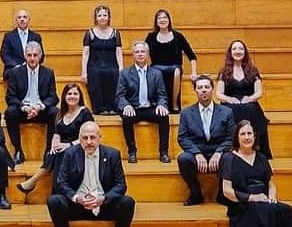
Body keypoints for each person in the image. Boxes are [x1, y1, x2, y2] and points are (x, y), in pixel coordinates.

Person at [46, 121, 134, 227]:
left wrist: (103, 198)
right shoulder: (69, 154)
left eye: (92, 137)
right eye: (85, 138)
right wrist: (76, 197)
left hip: (103, 205)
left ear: (100, 137)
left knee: (127, 202)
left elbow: (121, 185)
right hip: (78, 205)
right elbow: (61, 182)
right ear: (79, 139)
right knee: (54, 201)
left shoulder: (113, 154)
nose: (89, 142)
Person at [218, 119, 292, 227]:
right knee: (268, 212)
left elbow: (270, 184)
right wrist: (252, 197)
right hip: (242, 202)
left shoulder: (262, 157)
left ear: (255, 136)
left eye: (249, 133)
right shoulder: (228, 158)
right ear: (236, 137)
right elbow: (227, 191)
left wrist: (272, 198)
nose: (246, 137)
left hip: (263, 198)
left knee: (287, 210)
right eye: (243, 134)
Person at [16, 82, 93, 196]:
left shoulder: (84, 112)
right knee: (53, 153)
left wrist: (69, 145)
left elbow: (89, 136)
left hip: (80, 146)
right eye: (69, 94)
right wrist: (54, 145)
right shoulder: (60, 113)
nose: (72, 96)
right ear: (64, 97)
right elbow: (57, 133)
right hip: (63, 146)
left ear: (80, 96)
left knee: (62, 153)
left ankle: (36, 183)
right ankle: (56, 192)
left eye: (75, 94)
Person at [177, 75, 236, 204]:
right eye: (200, 87)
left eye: (207, 87)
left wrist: (219, 152)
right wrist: (196, 153)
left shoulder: (226, 112)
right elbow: (182, 137)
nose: (203, 90)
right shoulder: (186, 113)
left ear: (212, 89)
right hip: (197, 151)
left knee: (230, 157)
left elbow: (231, 137)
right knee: (184, 159)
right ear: (195, 91)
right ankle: (196, 193)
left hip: (218, 151)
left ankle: (223, 193)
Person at [215, 38, 272, 158]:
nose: (238, 51)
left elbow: (259, 92)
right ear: (230, 52)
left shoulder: (253, 70)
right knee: (230, 111)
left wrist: (250, 98)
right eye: (234, 48)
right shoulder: (224, 71)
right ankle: (232, 150)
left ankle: (256, 151)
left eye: (241, 48)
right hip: (230, 103)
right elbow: (219, 94)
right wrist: (229, 99)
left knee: (250, 109)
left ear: (245, 52)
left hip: (249, 103)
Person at [115, 41, 170, 163]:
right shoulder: (125, 74)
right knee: (126, 117)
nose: (140, 54)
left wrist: (161, 104)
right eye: (137, 52)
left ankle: (164, 152)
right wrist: (126, 105)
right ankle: (132, 152)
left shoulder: (156, 73)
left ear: (148, 54)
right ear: (133, 55)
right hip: (133, 108)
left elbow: (162, 94)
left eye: (142, 51)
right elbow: (119, 96)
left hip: (150, 107)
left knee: (164, 116)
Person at [4, 42, 59, 165]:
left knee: (55, 112)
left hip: (41, 110)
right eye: (29, 55)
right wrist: (24, 107)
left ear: (40, 56)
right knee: (10, 112)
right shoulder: (15, 73)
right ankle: (18, 150)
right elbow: (10, 97)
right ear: (25, 56)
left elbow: (53, 97)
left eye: (35, 55)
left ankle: (49, 151)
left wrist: (40, 107)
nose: (32, 58)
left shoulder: (48, 73)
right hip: (23, 110)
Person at [144, 8, 197, 112]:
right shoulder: (151, 37)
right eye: (159, 18)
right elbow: (143, 52)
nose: (162, 20)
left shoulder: (178, 36)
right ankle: (159, 103)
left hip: (174, 66)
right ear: (156, 21)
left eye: (165, 17)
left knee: (176, 72)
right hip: (156, 67)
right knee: (155, 72)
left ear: (169, 20)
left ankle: (174, 104)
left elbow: (191, 56)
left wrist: (194, 72)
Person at [80, 4, 122, 115]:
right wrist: (84, 71)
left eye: (105, 15)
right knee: (96, 74)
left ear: (109, 17)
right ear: (96, 18)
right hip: (94, 65)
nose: (102, 17)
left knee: (112, 73)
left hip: (111, 65)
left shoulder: (115, 33)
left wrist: (121, 69)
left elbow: (118, 52)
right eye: (99, 15)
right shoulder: (90, 33)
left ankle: (112, 108)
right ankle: (99, 108)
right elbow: (85, 53)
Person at [0, 8, 42, 78]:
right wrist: (18, 66)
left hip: (32, 69)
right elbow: (4, 55)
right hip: (13, 69)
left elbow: (41, 55)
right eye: (19, 17)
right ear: (16, 20)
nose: (22, 19)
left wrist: (29, 65)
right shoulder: (8, 36)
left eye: (25, 17)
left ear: (29, 20)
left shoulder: (36, 36)